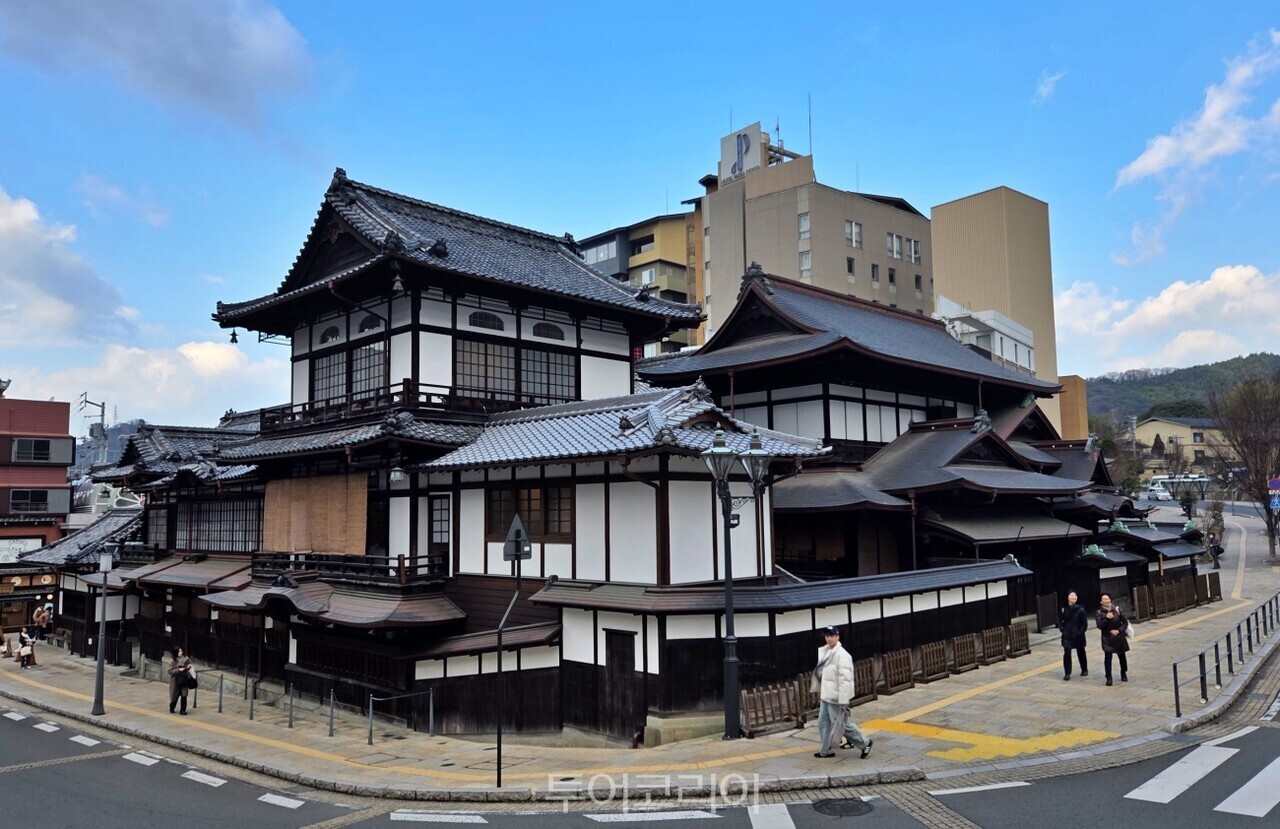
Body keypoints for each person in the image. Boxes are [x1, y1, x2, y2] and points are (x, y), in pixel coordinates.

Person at [811, 625, 873, 759]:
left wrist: (843, 701)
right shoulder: (826, 652)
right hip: (826, 695)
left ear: (838, 637)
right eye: (827, 636)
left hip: (836, 698)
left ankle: (865, 742)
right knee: (823, 723)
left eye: (832, 636)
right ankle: (826, 749)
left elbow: (846, 680)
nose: (829, 638)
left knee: (842, 726)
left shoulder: (842, 655)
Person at [1095, 593, 1129, 687]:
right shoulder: (1099, 612)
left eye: (1108, 599)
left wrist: (1118, 630)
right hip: (1107, 638)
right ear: (1101, 602)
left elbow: (1125, 623)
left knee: (1122, 656)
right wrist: (1106, 619)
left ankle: (1123, 672)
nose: (1106, 601)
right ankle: (1109, 677)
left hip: (1119, 637)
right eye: (1104, 599)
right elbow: (1100, 626)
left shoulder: (1117, 609)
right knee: (1108, 657)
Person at [1059, 590, 1089, 681]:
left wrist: (1080, 632)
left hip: (1078, 634)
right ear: (1068, 597)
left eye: (1075, 596)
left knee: (1081, 652)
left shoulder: (1081, 610)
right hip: (1067, 635)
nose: (1074, 598)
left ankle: (1084, 669)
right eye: (1072, 596)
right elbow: (1060, 620)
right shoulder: (1063, 609)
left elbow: (1084, 624)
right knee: (1067, 654)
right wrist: (1062, 630)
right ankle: (1067, 673)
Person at [167, 646, 193, 715]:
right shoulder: (173, 661)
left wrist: (188, 667)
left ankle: (183, 710)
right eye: (179, 651)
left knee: (184, 695)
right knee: (175, 695)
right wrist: (178, 670)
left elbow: (190, 665)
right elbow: (169, 671)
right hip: (176, 680)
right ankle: (172, 707)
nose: (181, 652)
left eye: (181, 651)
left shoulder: (186, 659)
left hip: (184, 679)